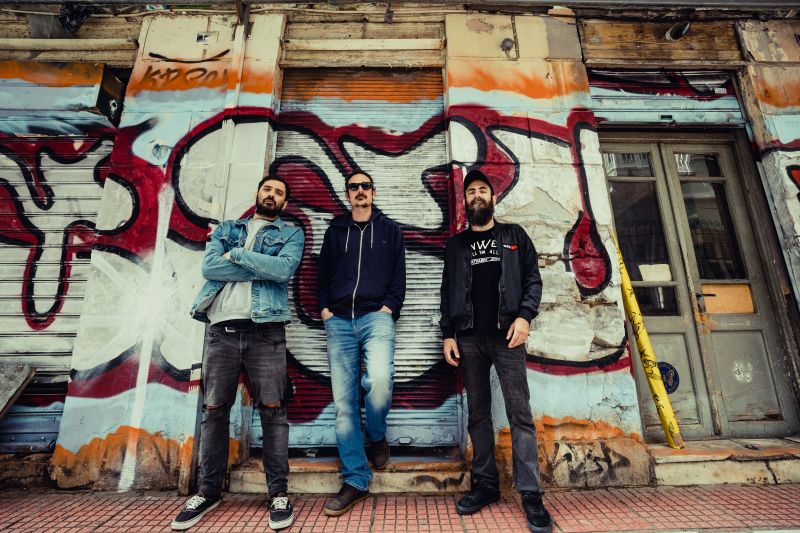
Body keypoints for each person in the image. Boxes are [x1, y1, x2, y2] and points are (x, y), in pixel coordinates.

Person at [173, 175, 304, 531]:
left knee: (273, 411)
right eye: (268, 189)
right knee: (214, 411)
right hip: (221, 333)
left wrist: (239, 255)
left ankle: (278, 493)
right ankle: (208, 491)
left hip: (266, 332)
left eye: (279, 192)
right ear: (258, 193)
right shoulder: (227, 228)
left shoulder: (291, 234)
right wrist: (260, 265)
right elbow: (210, 268)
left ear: (284, 203)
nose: (272, 195)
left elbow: (283, 270)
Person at [439, 169, 552, 533]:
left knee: (520, 414)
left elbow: (533, 280)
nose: (476, 195)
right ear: (466, 201)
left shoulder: (514, 236)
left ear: (493, 198)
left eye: (482, 190)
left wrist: (524, 317)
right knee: (478, 415)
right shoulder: (456, 246)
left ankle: (531, 495)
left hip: (508, 337)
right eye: (471, 191)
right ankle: (486, 485)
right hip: (469, 338)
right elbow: (447, 292)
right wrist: (448, 334)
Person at [317, 171, 406, 516]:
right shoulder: (335, 230)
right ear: (347, 194)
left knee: (380, 380)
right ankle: (355, 479)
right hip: (338, 320)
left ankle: (376, 434)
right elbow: (322, 274)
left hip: (376, 317)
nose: (359, 191)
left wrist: (389, 307)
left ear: (373, 192)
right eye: (353, 187)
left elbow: (399, 275)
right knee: (344, 404)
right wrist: (325, 310)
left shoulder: (390, 230)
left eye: (365, 186)